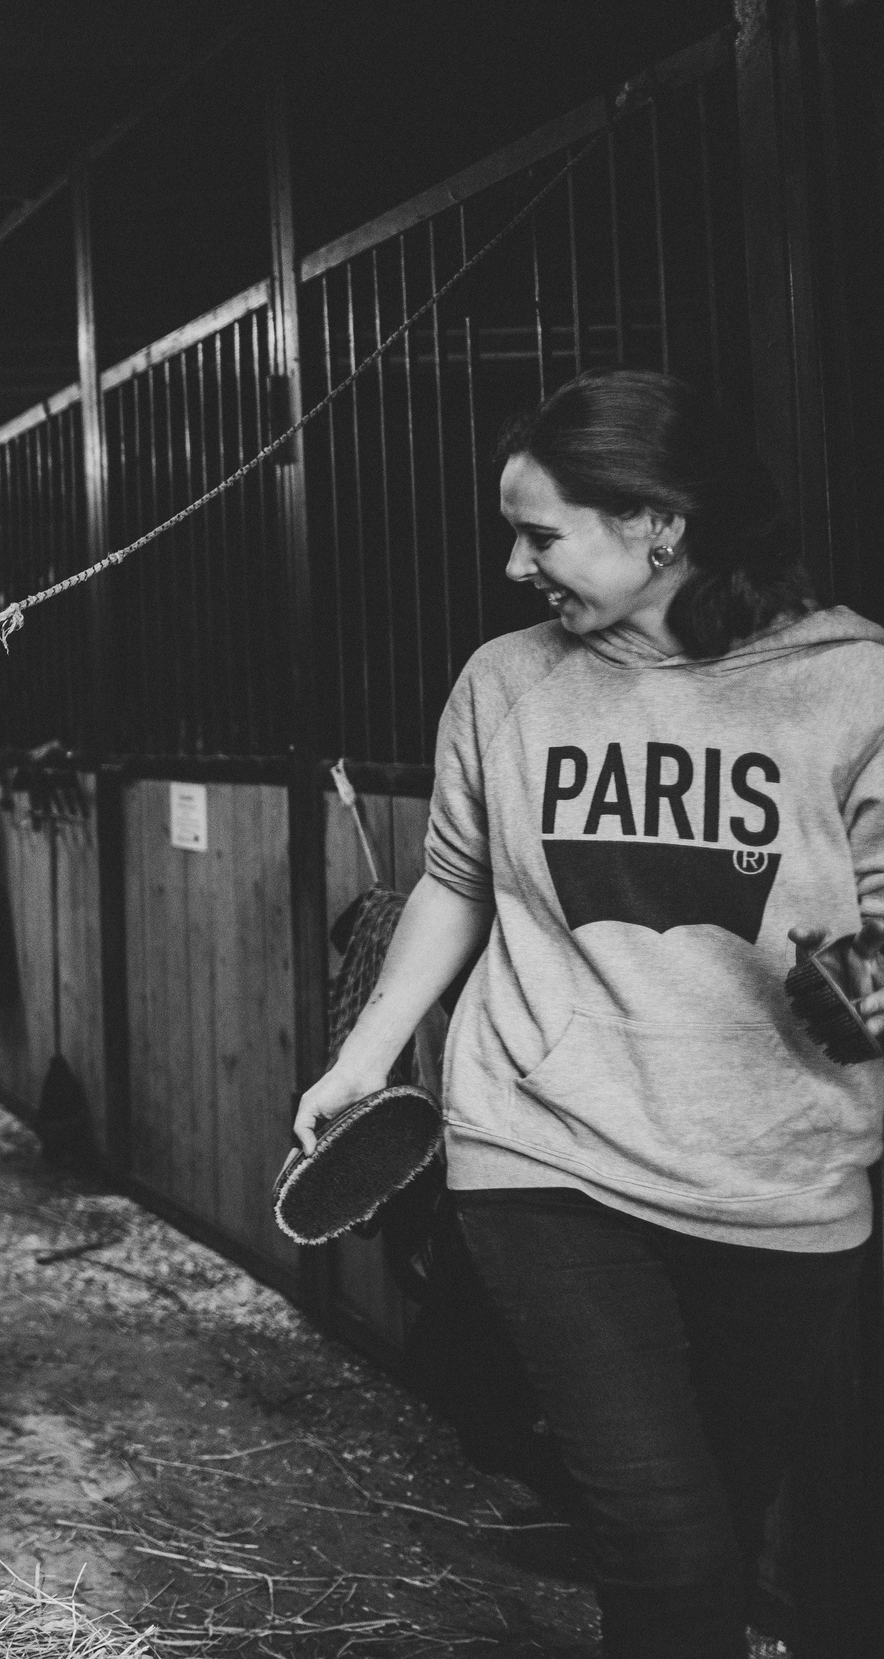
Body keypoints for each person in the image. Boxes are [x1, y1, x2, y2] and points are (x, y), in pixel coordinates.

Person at [293, 368, 884, 1657]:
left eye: (540, 532)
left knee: (712, 1528)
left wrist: (871, 974)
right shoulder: (507, 681)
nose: (514, 566)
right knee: (666, 1547)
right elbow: (454, 880)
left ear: (656, 524)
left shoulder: (850, 687)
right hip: (545, 1150)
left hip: (780, 1177)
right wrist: (365, 1056)